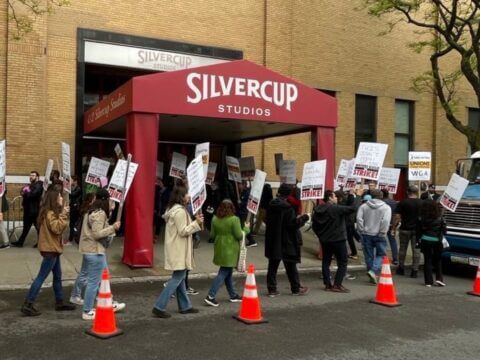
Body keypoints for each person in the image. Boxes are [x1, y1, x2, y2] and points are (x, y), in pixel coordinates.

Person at [20, 187, 75, 316]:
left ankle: (60, 302)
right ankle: (28, 303)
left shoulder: (49, 212)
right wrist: (64, 214)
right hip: (50, 250)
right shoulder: (50, 213)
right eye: (60, 197)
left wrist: (62, 212)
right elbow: (57, 228)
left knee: (57, 276)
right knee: (41, 277)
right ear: (54, 199)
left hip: (53, 248)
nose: (61, 198)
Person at [152, 186, 203, 318]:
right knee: (178, 277)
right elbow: (183, 231)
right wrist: (196, 223)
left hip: (176, 248)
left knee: (180, 277)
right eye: (187, 194)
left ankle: (185, 306)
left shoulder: (173, 209)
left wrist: (195, 222)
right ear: (181, 196)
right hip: (179, 249)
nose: (189, 196)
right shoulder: (180, 211)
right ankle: (159, 306)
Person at [77, 188, 124, 320]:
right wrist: (113, 228)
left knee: (104, 277)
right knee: (94, 282)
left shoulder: (91, 211)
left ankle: (108, 301)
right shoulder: (100, 213)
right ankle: (87, 311)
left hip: (91, 250)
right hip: (94, 251)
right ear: (105, 200)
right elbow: (97, 234)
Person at [265, 183, 309, 297]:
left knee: (273, 266)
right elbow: (292, 225)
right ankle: (295, 288)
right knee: (290, 265)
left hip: (273, 239)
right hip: (287, 240)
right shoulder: (288, 208)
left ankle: (272, 289)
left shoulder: (271, 204)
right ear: (288, 194)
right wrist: (304, 218)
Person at [204, 199, 248, 306]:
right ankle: (211, 296)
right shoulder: (234, 219)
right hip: (231, 249)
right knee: (224, 272)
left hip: (219, 247)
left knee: (228, 272)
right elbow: (239, 235)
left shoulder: (215, 219)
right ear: (232, 208)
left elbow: (212, 236)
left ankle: (233, 295)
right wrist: (246, 229)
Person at [312, 190, 356, 292]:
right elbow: (352, 208)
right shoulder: (335, 208)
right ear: (330, 197)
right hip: (338, 239)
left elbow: (314, 226)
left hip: (325, 240)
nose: (337, 198)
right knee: (343, 262)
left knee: (326, 261)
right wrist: (353, 195)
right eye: (335, 196)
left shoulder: (318, 209)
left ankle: (327, 284)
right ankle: (337, 284)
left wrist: (320, 236)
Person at [357, 189, 391, 284]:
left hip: (366, 233)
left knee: (368, 255)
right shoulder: (386, 208)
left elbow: (359, 219)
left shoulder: (364, 206)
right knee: (381, 254)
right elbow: (385, 221)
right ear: (381, 196)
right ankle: (373, 271)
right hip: (379, 234)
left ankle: (371, 273)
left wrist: (361, 229)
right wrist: (383, 232)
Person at [69, 192, 96, 305]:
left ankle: (79, 295)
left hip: (86, 245)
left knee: (89, 273)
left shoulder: (86, 210)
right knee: (86, 273)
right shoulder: (90, 212)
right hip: (88, 245)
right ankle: (76, 295)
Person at [393, 185, 422, 278]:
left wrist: (394, 228)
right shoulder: (422, 203)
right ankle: (415, 270)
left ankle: (401, 268)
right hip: (417, 230)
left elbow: (397, 217)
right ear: (417, 192)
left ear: (407, 192)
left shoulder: (403, 202)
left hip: (405, 229)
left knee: (402, 249)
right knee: (416, 251)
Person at [417, 200, 446, 287]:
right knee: (438, 260)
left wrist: (418, 240)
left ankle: (428, 281)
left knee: (427, 260)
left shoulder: (421, 218)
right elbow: (444, 230)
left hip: (425, 240)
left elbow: (419, 230)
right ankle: (439, 279)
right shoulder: (440, 218)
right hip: (437, 240)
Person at [12, 171, 44, 247]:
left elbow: (33, 195)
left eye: (33, 175)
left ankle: (41, 243)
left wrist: (26, 191)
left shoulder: (39, 185)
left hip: (34, 210)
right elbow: (22, 192)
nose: (31, 177)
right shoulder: (31, 185)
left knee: (38, 228)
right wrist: (25, 191)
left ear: (37, 177)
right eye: (30, 175)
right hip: (28, 209)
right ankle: (20, 242)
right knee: (26, 228)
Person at [381, 189, 399, 265]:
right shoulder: (394, 202)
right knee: (393, 241)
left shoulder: (381, 203)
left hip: (382, 225)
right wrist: (394, 226)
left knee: (382, 241)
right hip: (392, 224)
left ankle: (383, 257)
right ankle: (395, 259)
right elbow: (396, 215)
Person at [237, 181, 257, 247]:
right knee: (242, 226)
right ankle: (250, 240)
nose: (239, 186)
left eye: (240, 184)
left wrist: (241, 202)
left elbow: (248, 203)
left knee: (244, 226)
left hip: (244, 212)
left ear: (244, 185)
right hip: (241, 211)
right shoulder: (243, 192)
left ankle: (252, 241)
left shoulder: (247, 193)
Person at [69, 175, 82, 243]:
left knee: (74, 224)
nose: (70, 181)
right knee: (72, 223)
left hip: (76, 208)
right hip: (72, 207)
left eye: (71, 180)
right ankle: (72, 237)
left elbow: (72, 194)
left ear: (75, 181)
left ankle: (73, 237)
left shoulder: (78, 188)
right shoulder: (73, 187)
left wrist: (68, 188)